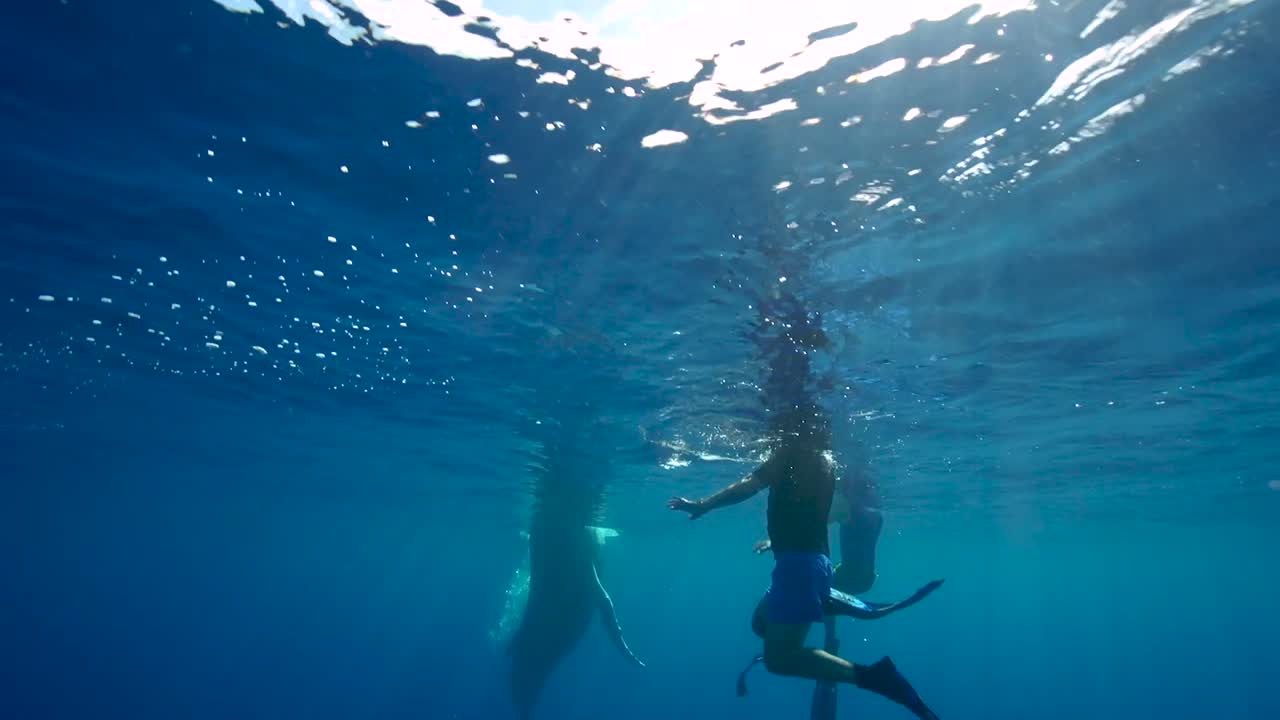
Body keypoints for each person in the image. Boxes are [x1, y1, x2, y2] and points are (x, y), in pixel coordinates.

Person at [668, 403, 939, 720]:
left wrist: (704, 505)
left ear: (794, 431)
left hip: (798, 568)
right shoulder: (825, 462)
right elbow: (812, 513)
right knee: (760, 623)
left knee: (779, 659)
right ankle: (826, 600)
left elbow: (747, 486)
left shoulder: (790, 455)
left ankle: (872, 676)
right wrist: (779, 541)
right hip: (810, 565)